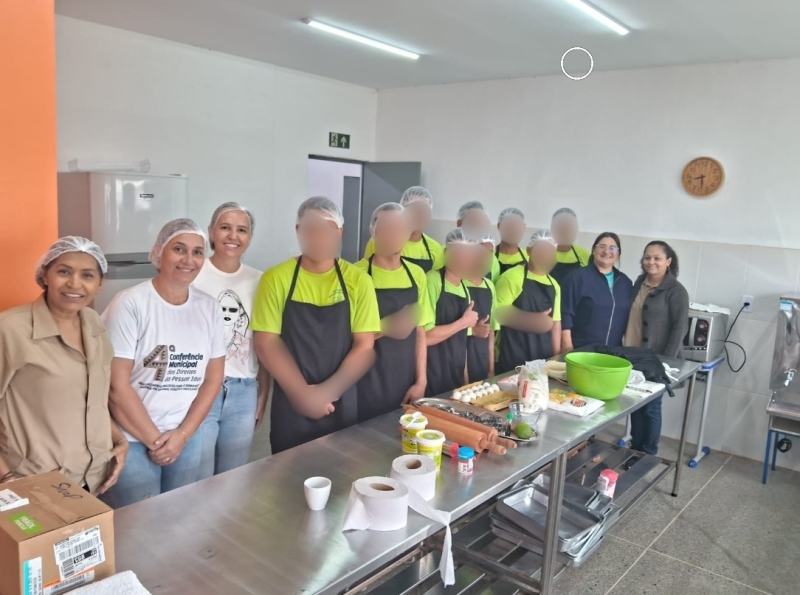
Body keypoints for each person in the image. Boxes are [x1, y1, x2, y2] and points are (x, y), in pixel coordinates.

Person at [101, 219, 226, 507]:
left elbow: (213, 379)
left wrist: (182, 435)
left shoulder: (209, 308)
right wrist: (156, 441)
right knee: (137, 522)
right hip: (132, 438)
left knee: (179, 516)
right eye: (179, 249)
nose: (188, 259)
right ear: (159, 252)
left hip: (186, 436)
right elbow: (116, 386)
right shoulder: (130, 304)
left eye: (197, 252)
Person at [0, 237, 127, 495]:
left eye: (87, 275)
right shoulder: (10, 329)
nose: (74, 284)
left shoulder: (93, 322)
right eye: (64, 272)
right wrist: (7, 478)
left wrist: (119, 440)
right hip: (33, 482)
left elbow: (94, 399)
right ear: (45, 275)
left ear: (99, 284)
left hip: (95, 477)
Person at [252, 197, 380, 453]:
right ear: (298, 230)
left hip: (341, 396)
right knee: (288, 471)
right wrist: (302, 395)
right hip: (292, 399)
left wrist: (325, 393)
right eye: (311, 228)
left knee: (341, 468)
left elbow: (365, 346)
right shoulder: (276, 278)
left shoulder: (359, 281)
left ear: (340, 232)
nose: (320, 236)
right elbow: (266, 342)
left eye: (328, 228)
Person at [193, 203, 270, 479]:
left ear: (250, 237)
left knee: (233, 477)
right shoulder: (193, 273)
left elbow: (263, 341)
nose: (233, 236)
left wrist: (263, 392)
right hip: (199, 388)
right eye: (225, 227)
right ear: (211, 232)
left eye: (242, 230)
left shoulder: (260, 281)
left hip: (243, 390)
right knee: (198, 476)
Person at [355, 203, 431, 421]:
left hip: (405, 377)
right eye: (387, 227)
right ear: (373, 231)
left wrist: (421, 380)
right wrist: (387, 327)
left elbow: (420, 332)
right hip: (365, 378)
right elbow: (345, 336)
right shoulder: (355, 275)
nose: (394, 234)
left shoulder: (417, 274)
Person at [624, 241, 690, 455]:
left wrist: (665, 363)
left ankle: (647, 452)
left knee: (651, 407)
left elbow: (680, 328)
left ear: (668, 261)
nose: (651, 262)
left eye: (657, 258)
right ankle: (635, 449)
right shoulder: (639, 282)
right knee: (635, 402)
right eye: (647, 257)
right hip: (632, 354)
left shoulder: (676, 291)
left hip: (656, 359)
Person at [495, 230, 561, 373]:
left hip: (543, 356)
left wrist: (556, 357)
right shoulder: (510, 278)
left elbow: (556, 324)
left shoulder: (554, 285)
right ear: (529, 251)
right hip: (513, 354)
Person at [425, 228, 479, 396]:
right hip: (431, 372)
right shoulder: (432, 280)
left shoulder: (464, 289)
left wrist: (465, 381)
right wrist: (463, 322)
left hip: (454, 374)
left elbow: (462, 343)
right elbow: (425, 337)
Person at [561, 233, 633, 351]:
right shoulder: (576, 278)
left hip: (613, 352)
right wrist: (567, 348)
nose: (607, 251)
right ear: (593, 250)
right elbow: (565, 315)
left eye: (612, 248)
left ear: (618, 254)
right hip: (581, 351)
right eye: (602, 246)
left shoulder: (625, 283)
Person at [363, 186, 444, 273]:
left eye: (424, 211)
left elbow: (436, 278)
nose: (418, 216)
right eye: (413, 210)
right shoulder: (380, 240)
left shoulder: (435, 248)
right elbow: (366, 270)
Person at [465, 233, 500, 383]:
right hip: (461, 357)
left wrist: (491, 368)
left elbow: (490, 330)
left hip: (482, 356)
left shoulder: (489, 285)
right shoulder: (460, 282)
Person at [457, 201, 501, 282]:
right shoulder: (444, 253)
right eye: (471, 221)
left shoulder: (492, 259)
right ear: (459, 224)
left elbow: (492, 286)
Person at [550, 208, 590, 284]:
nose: (564, 231)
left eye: (569, 227)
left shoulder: (583, 254)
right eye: (560, 227)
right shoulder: (544, 252)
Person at [495, 207, 528, 276]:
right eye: (508, 226)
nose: (513, 230)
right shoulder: (488, 256)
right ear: (499, 226)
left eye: (517, 226)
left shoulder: (530, 258)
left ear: (524, 227)